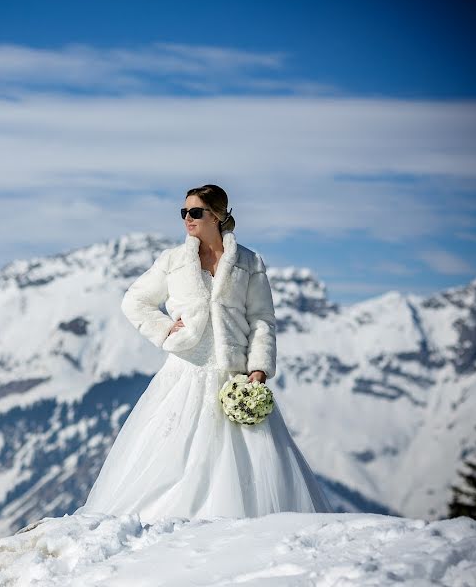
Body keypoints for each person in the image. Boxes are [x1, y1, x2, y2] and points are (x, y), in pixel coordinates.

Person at [73, 184, 333, 522]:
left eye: (195, 212)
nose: (187, 219)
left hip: (234, 377)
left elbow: (262, 320)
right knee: (170, 459)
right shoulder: (173, 261)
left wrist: (258, 369)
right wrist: (165, 329)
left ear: (217, 216)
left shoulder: (249, 262)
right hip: (184, 373)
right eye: (183, 212)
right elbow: (135, 301)